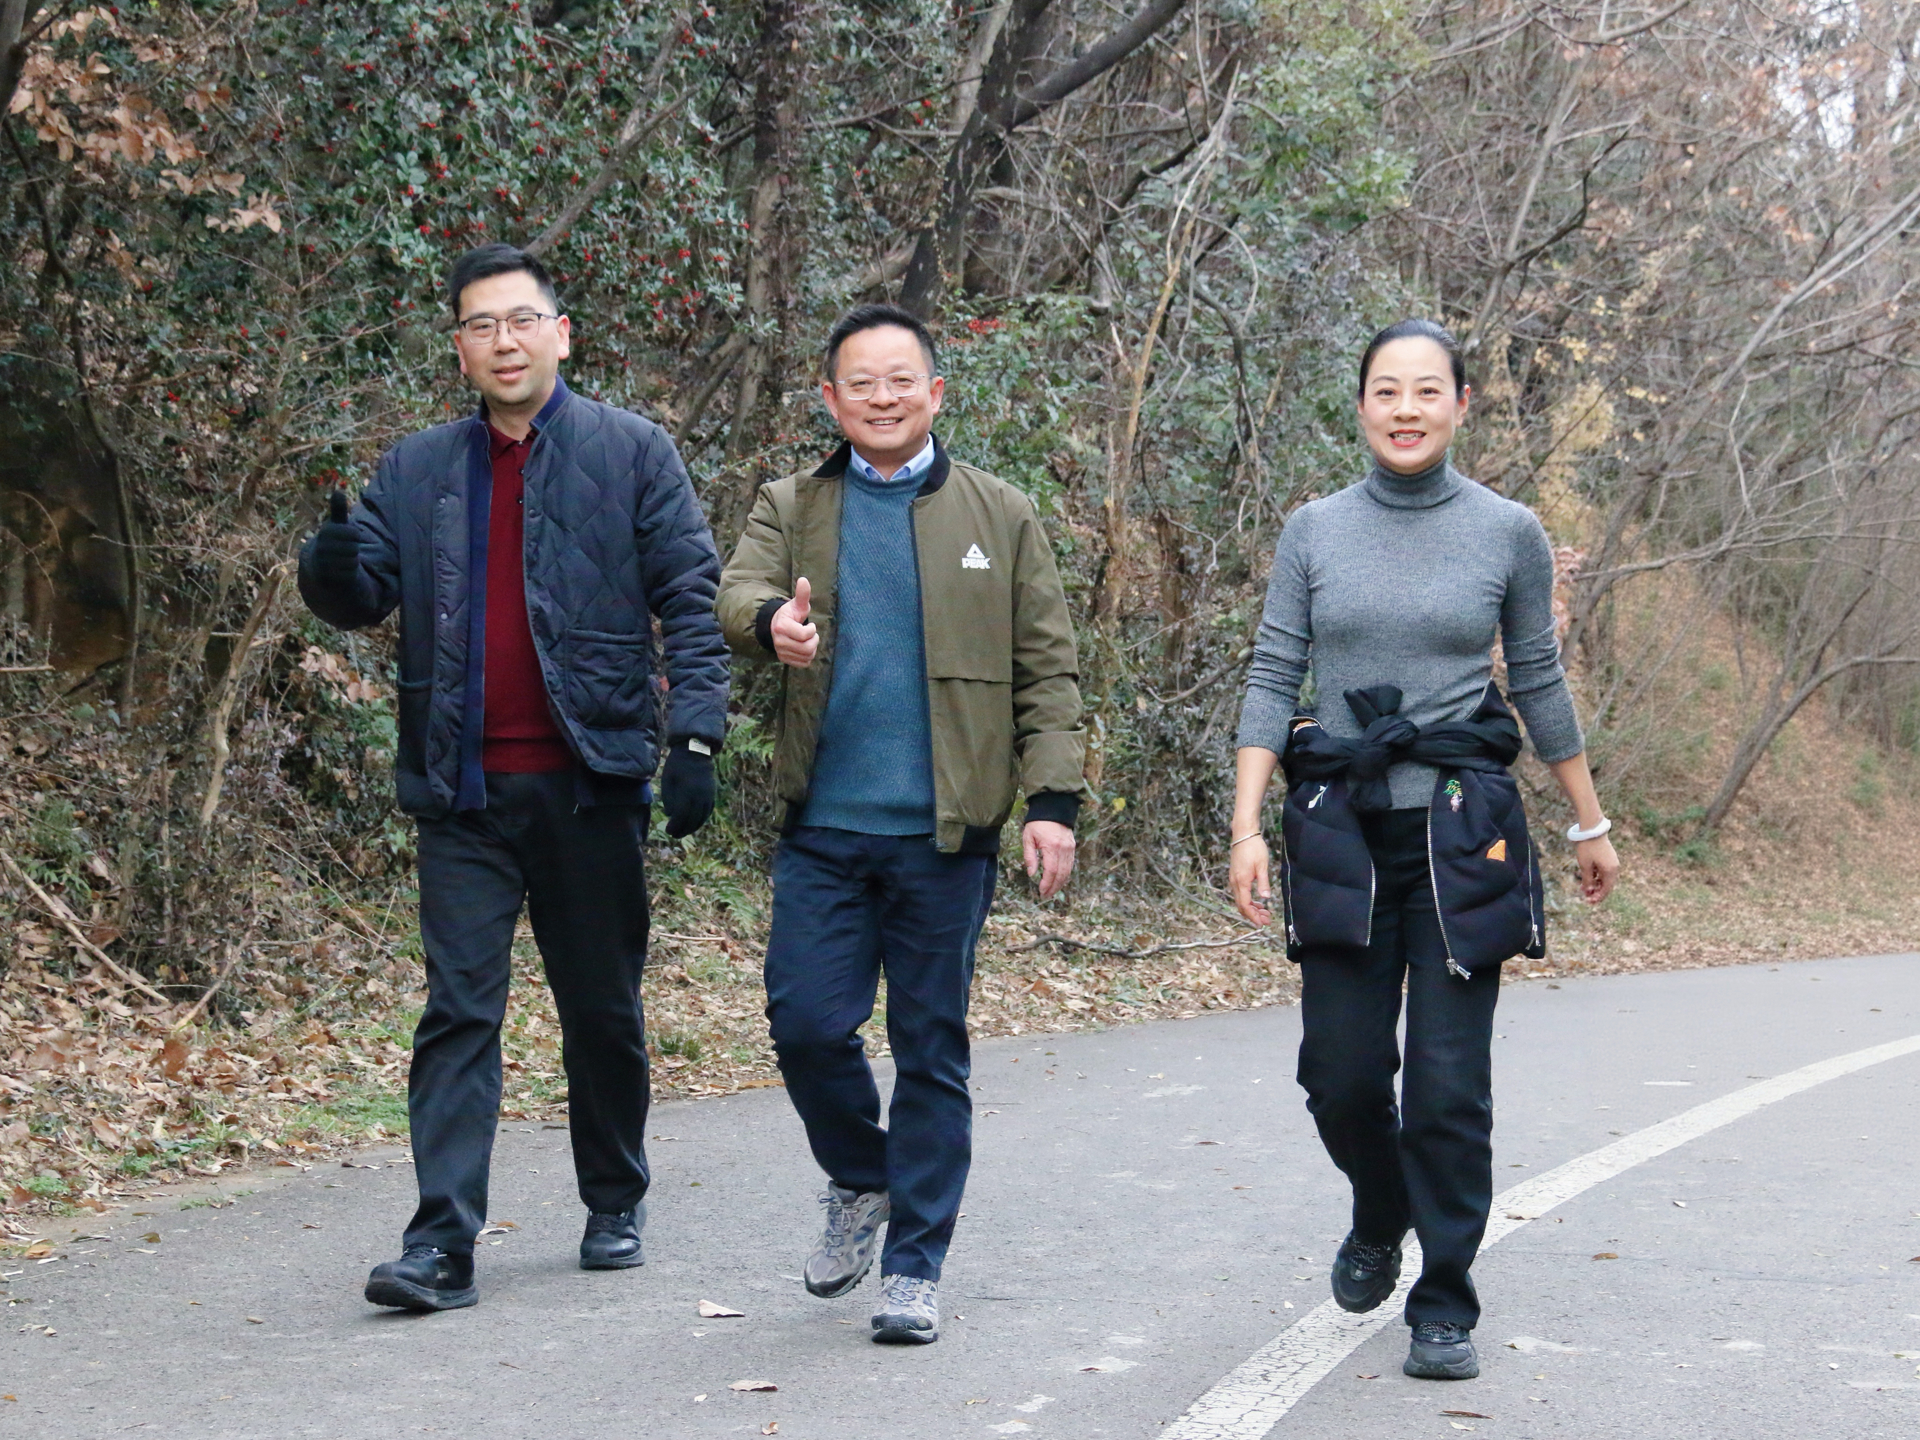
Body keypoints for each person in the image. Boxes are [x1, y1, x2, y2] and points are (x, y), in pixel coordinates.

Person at [298, 243, 729, 1311]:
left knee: (602, 1008)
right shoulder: (416, 469)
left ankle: (614, 1197)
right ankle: (441, 1244)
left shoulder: (632, 452)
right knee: (459, 1011)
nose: (503, 341)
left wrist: (695, 739)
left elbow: (690, 596)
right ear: (459, 348)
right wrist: (332, 567)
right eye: (481, 325)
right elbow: (360, 595)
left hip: (591, 781)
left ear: (560, 334)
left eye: (522, 320)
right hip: (462, 791)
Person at [1228, 318, 1619, 1380]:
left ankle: (1443, 1300)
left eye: (1427, 391)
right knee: (1340, 1074)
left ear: (1460, 405)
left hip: (1461, 832)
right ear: (1361, 405)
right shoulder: (1315, 530)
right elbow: (1274, 674)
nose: (1407, 410)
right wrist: (1246, 825)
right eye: (1387, 391)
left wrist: (1588, 822)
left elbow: (1536, 679)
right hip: (1340, 832)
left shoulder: (1507, 532)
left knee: (1449, 1088)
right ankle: (1379, 1207)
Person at [717, 303, 1085, 1344]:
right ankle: (860, 1178)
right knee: (805, 1025)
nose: (881, 398)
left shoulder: (999, 512)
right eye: (860, 383)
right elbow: (736, 592)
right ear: (830, 399)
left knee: (930, 1050)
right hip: (824, 826)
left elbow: (1048, 668)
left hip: (945, 834)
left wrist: (1052, 803)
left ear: (935, 392)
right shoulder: (794, 503)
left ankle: (914, 1266)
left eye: (900, 380)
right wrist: (771, 624)